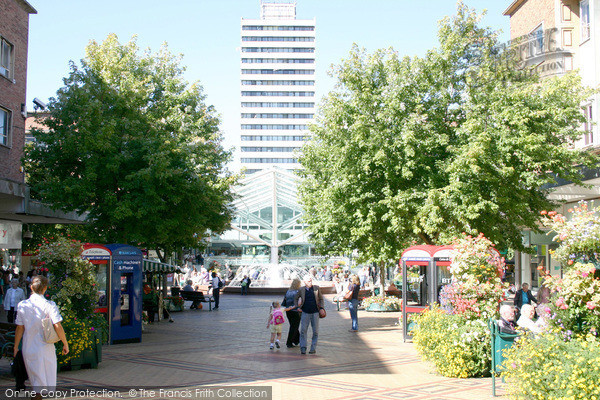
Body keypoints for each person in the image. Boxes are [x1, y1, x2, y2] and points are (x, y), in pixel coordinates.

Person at [14, 275, 69, 394]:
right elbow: (57, 325)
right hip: (45, 347)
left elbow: (19, 327)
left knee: (36, 382)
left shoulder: (22, 305)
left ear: (31, 287)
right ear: (45, 288)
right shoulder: (49, 305)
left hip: (28, 347)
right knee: (44, 382)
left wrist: (15, 347)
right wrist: (65, 343)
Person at [295, 276, 324, 355]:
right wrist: (297, 307)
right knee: (303, 330)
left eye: (311, 281)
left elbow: (321, 299)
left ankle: (313, 348)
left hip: (315, 312)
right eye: (308, 281)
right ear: (304, 282)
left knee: (315, 331)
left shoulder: (316, 288)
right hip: (305, 312)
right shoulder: (301, 289)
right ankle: (303, 348)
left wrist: (321, 308)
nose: (310, 282)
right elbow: (296, 298)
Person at [282, 278, 301, 348]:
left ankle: (297, 340)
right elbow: (300, 302)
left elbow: (284, 301)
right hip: (296, 311)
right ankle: (289, 342)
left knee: (293, 326)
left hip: (288, 311)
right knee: (294, 327)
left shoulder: (288, 291)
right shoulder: (298, 291)